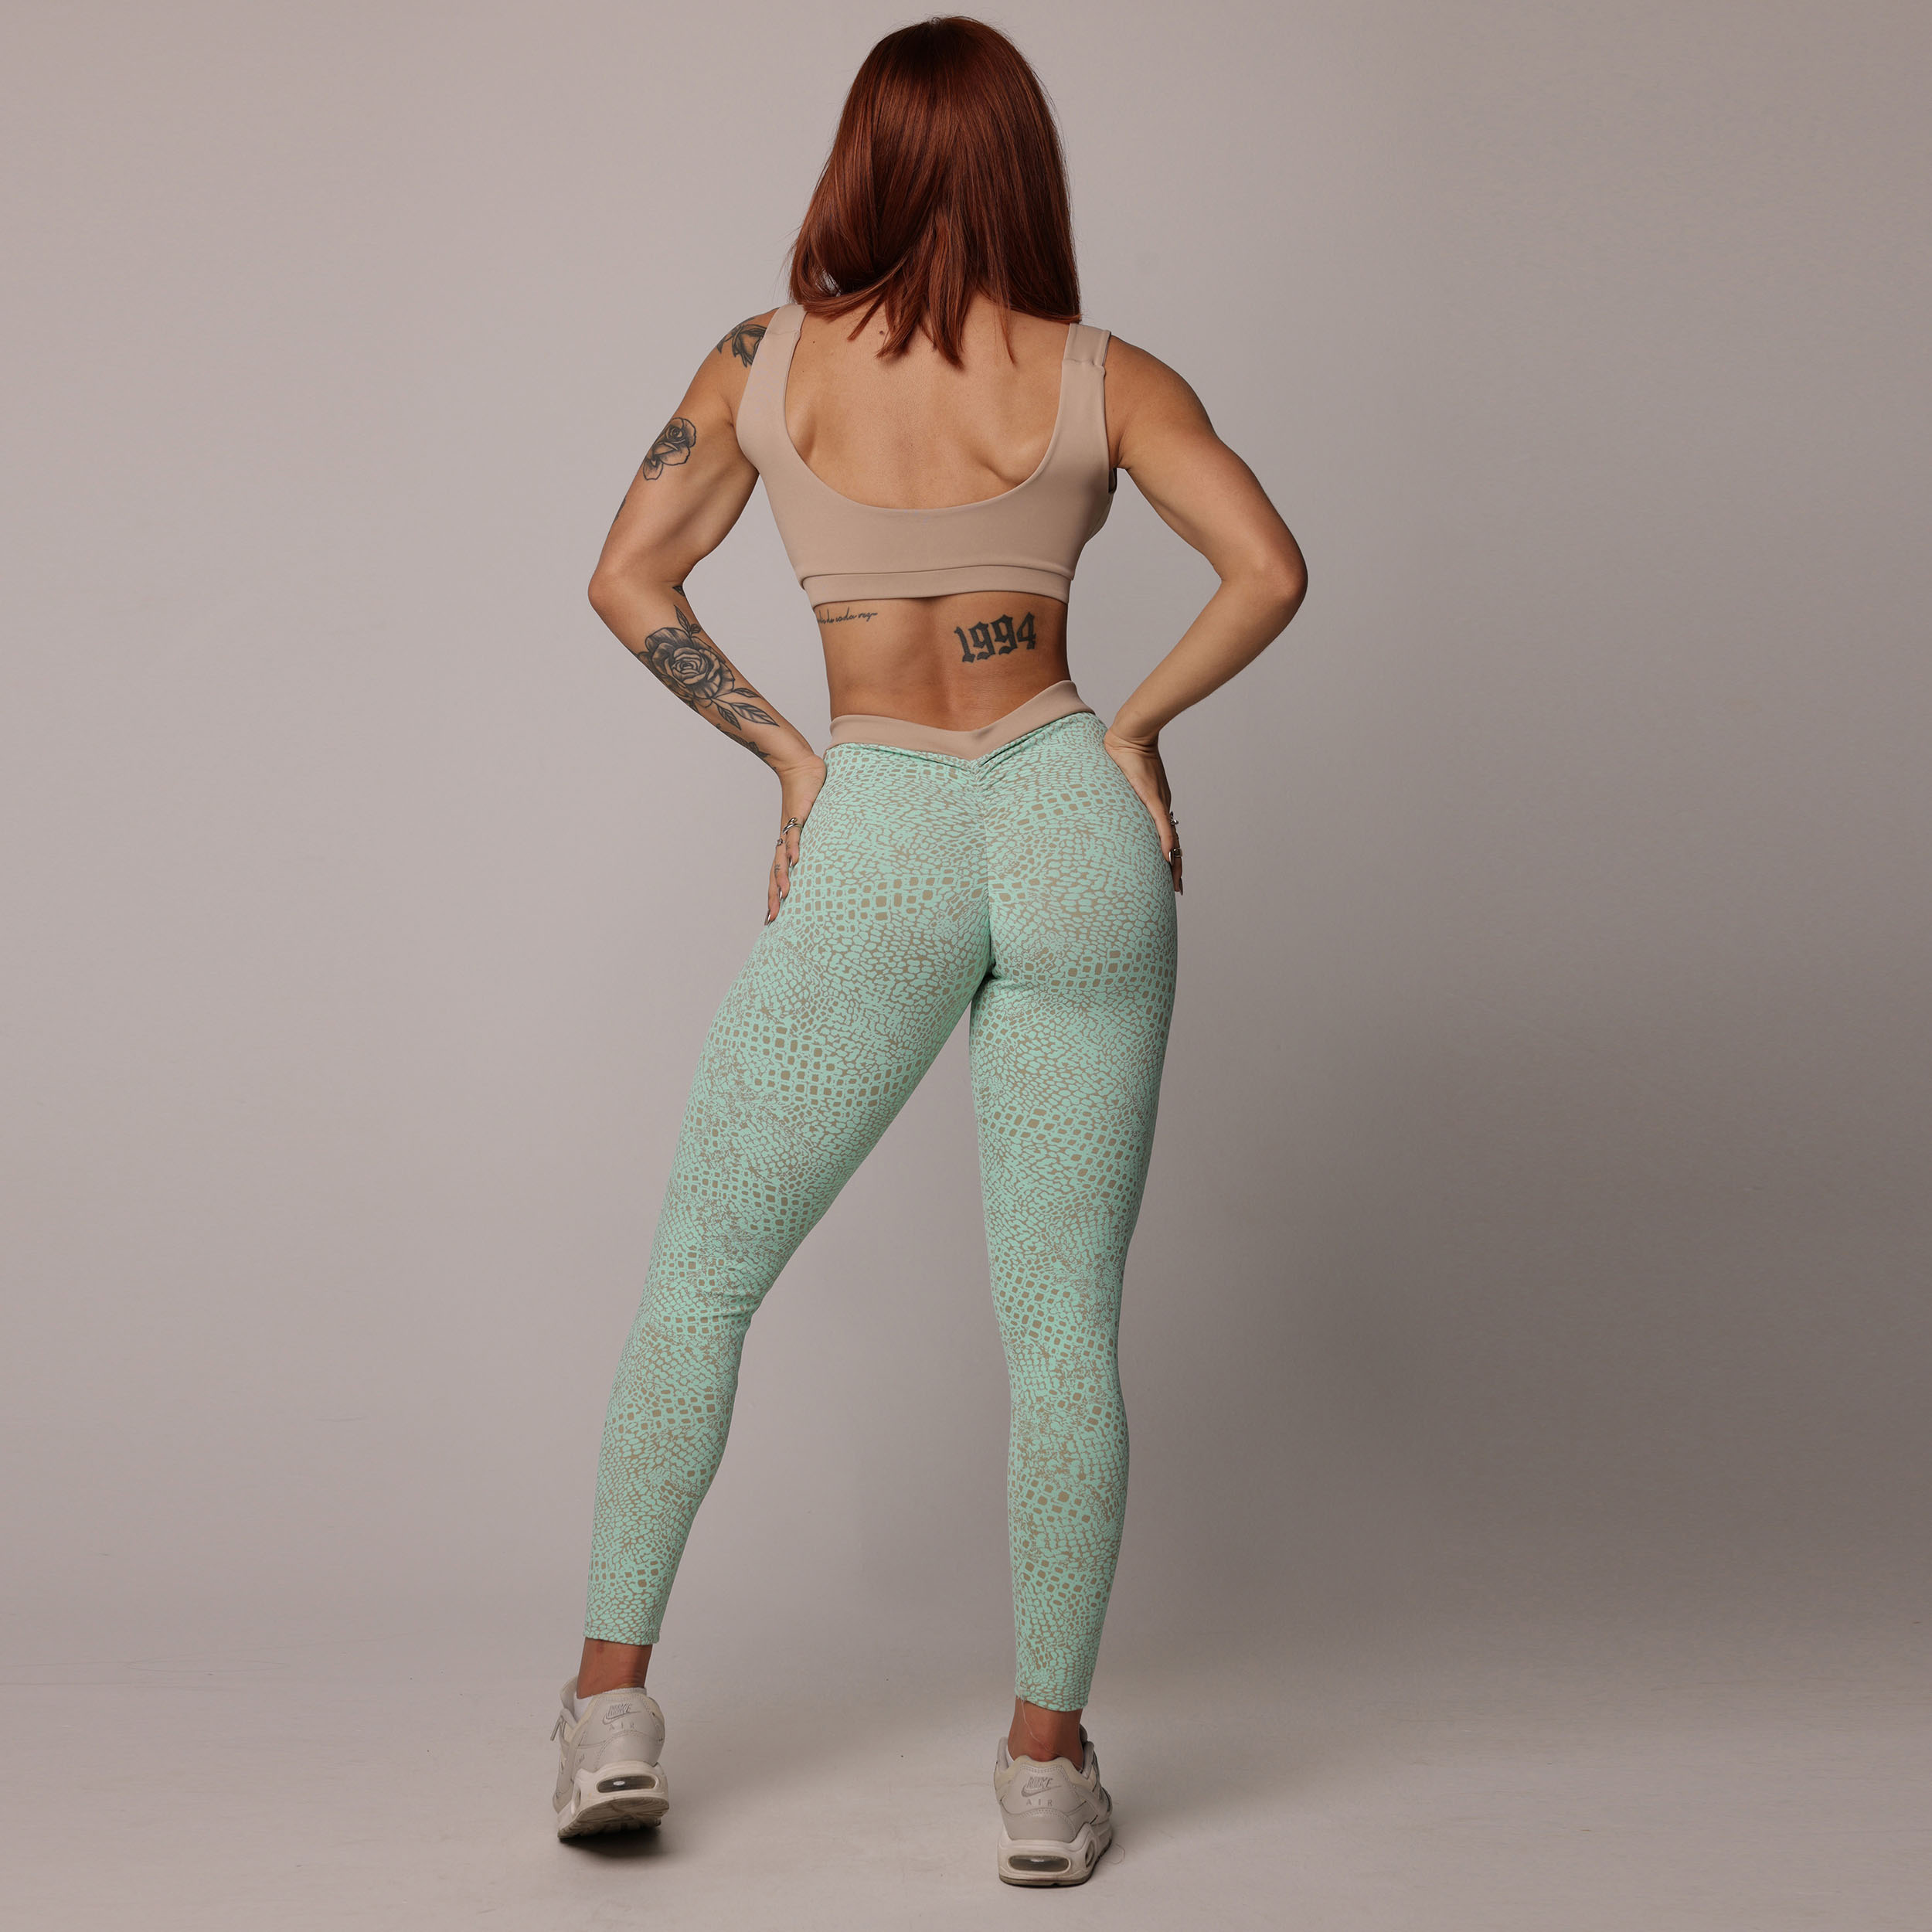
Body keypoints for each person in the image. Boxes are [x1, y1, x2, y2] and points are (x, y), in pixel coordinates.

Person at [549, 15, 1306, 1887]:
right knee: (1061, 1329)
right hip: (1065, 814)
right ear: (1022, 169)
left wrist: (787, 753)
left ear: (860, 162)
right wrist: (1136, 728)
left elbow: (626, 574)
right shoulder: (1106, 374)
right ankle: (1044, 1769)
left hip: (878, 821)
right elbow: (1269, 568)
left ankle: (608, 1709)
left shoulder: (761, 363)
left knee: (701, 1278)